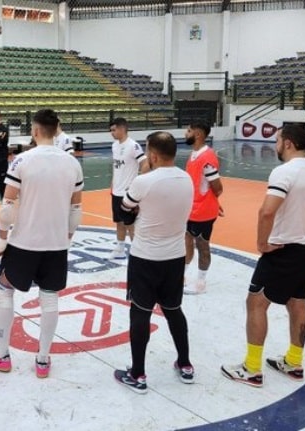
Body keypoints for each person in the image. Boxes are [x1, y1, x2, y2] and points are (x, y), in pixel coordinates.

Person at [221, 124, 305, 388]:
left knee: (256, 303)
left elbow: (266, 212)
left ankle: (252, 368)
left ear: (287, 143)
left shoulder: (284, 172)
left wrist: (262, 243)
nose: (276, 145)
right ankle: (294, 362)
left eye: (277, 140)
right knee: (298, 304)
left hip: (283, 251)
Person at [0, 109, 83, 378]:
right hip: (56, 245)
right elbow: (75, 211)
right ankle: (43, 360)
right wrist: (65, 240)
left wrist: (2, 241)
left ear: (35, 131)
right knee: (49, 298)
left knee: (4, 290)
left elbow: (7, 207)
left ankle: (1, 355)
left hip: (24, 243)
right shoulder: (73, 164)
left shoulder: (22, 160)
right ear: (57, 129)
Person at [112, 131, 195, 393]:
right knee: (173, 310)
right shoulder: (186, 179)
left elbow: (125, 207)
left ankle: (138, 374)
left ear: (153, 154)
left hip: (145, 256)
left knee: (140, 312)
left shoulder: (143, 182)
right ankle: (185, 364)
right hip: (174, 256)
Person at [183, 121, 223, 295]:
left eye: (189, 130)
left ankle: (201, 282)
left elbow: (218, 187)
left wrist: (212, 203)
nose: (186, 133)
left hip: (203, 212)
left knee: (202, 245)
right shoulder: (194, 155)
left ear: (198, 134)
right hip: (192, 209)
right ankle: (181, 275)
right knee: (187, 242)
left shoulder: (207, 158)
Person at [109, 117, 147, 259]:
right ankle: (120, 249)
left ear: (122, 128)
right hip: (116, 191)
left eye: (113, 130)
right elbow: (116, 167)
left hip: (128, 193)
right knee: (119, 221)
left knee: (130, 224)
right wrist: (113, 182)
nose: (111, 133)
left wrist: (139, 183)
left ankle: (136, 253)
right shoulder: (114, 146)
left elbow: (144, 163)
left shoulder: (133, 146)